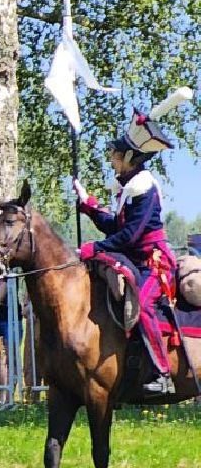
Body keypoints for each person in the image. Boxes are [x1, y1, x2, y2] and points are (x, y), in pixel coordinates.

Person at [74, 92, 193, 396]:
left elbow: (130, 236)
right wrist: (90, 207)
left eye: (115, 156)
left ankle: (162, 373)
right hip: (136, 259)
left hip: (154, 261)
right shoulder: (130, 188)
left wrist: (95, 249)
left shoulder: (144, 188)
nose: (112, 160)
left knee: (143, 304)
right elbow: (117, 226)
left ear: (129, 158)